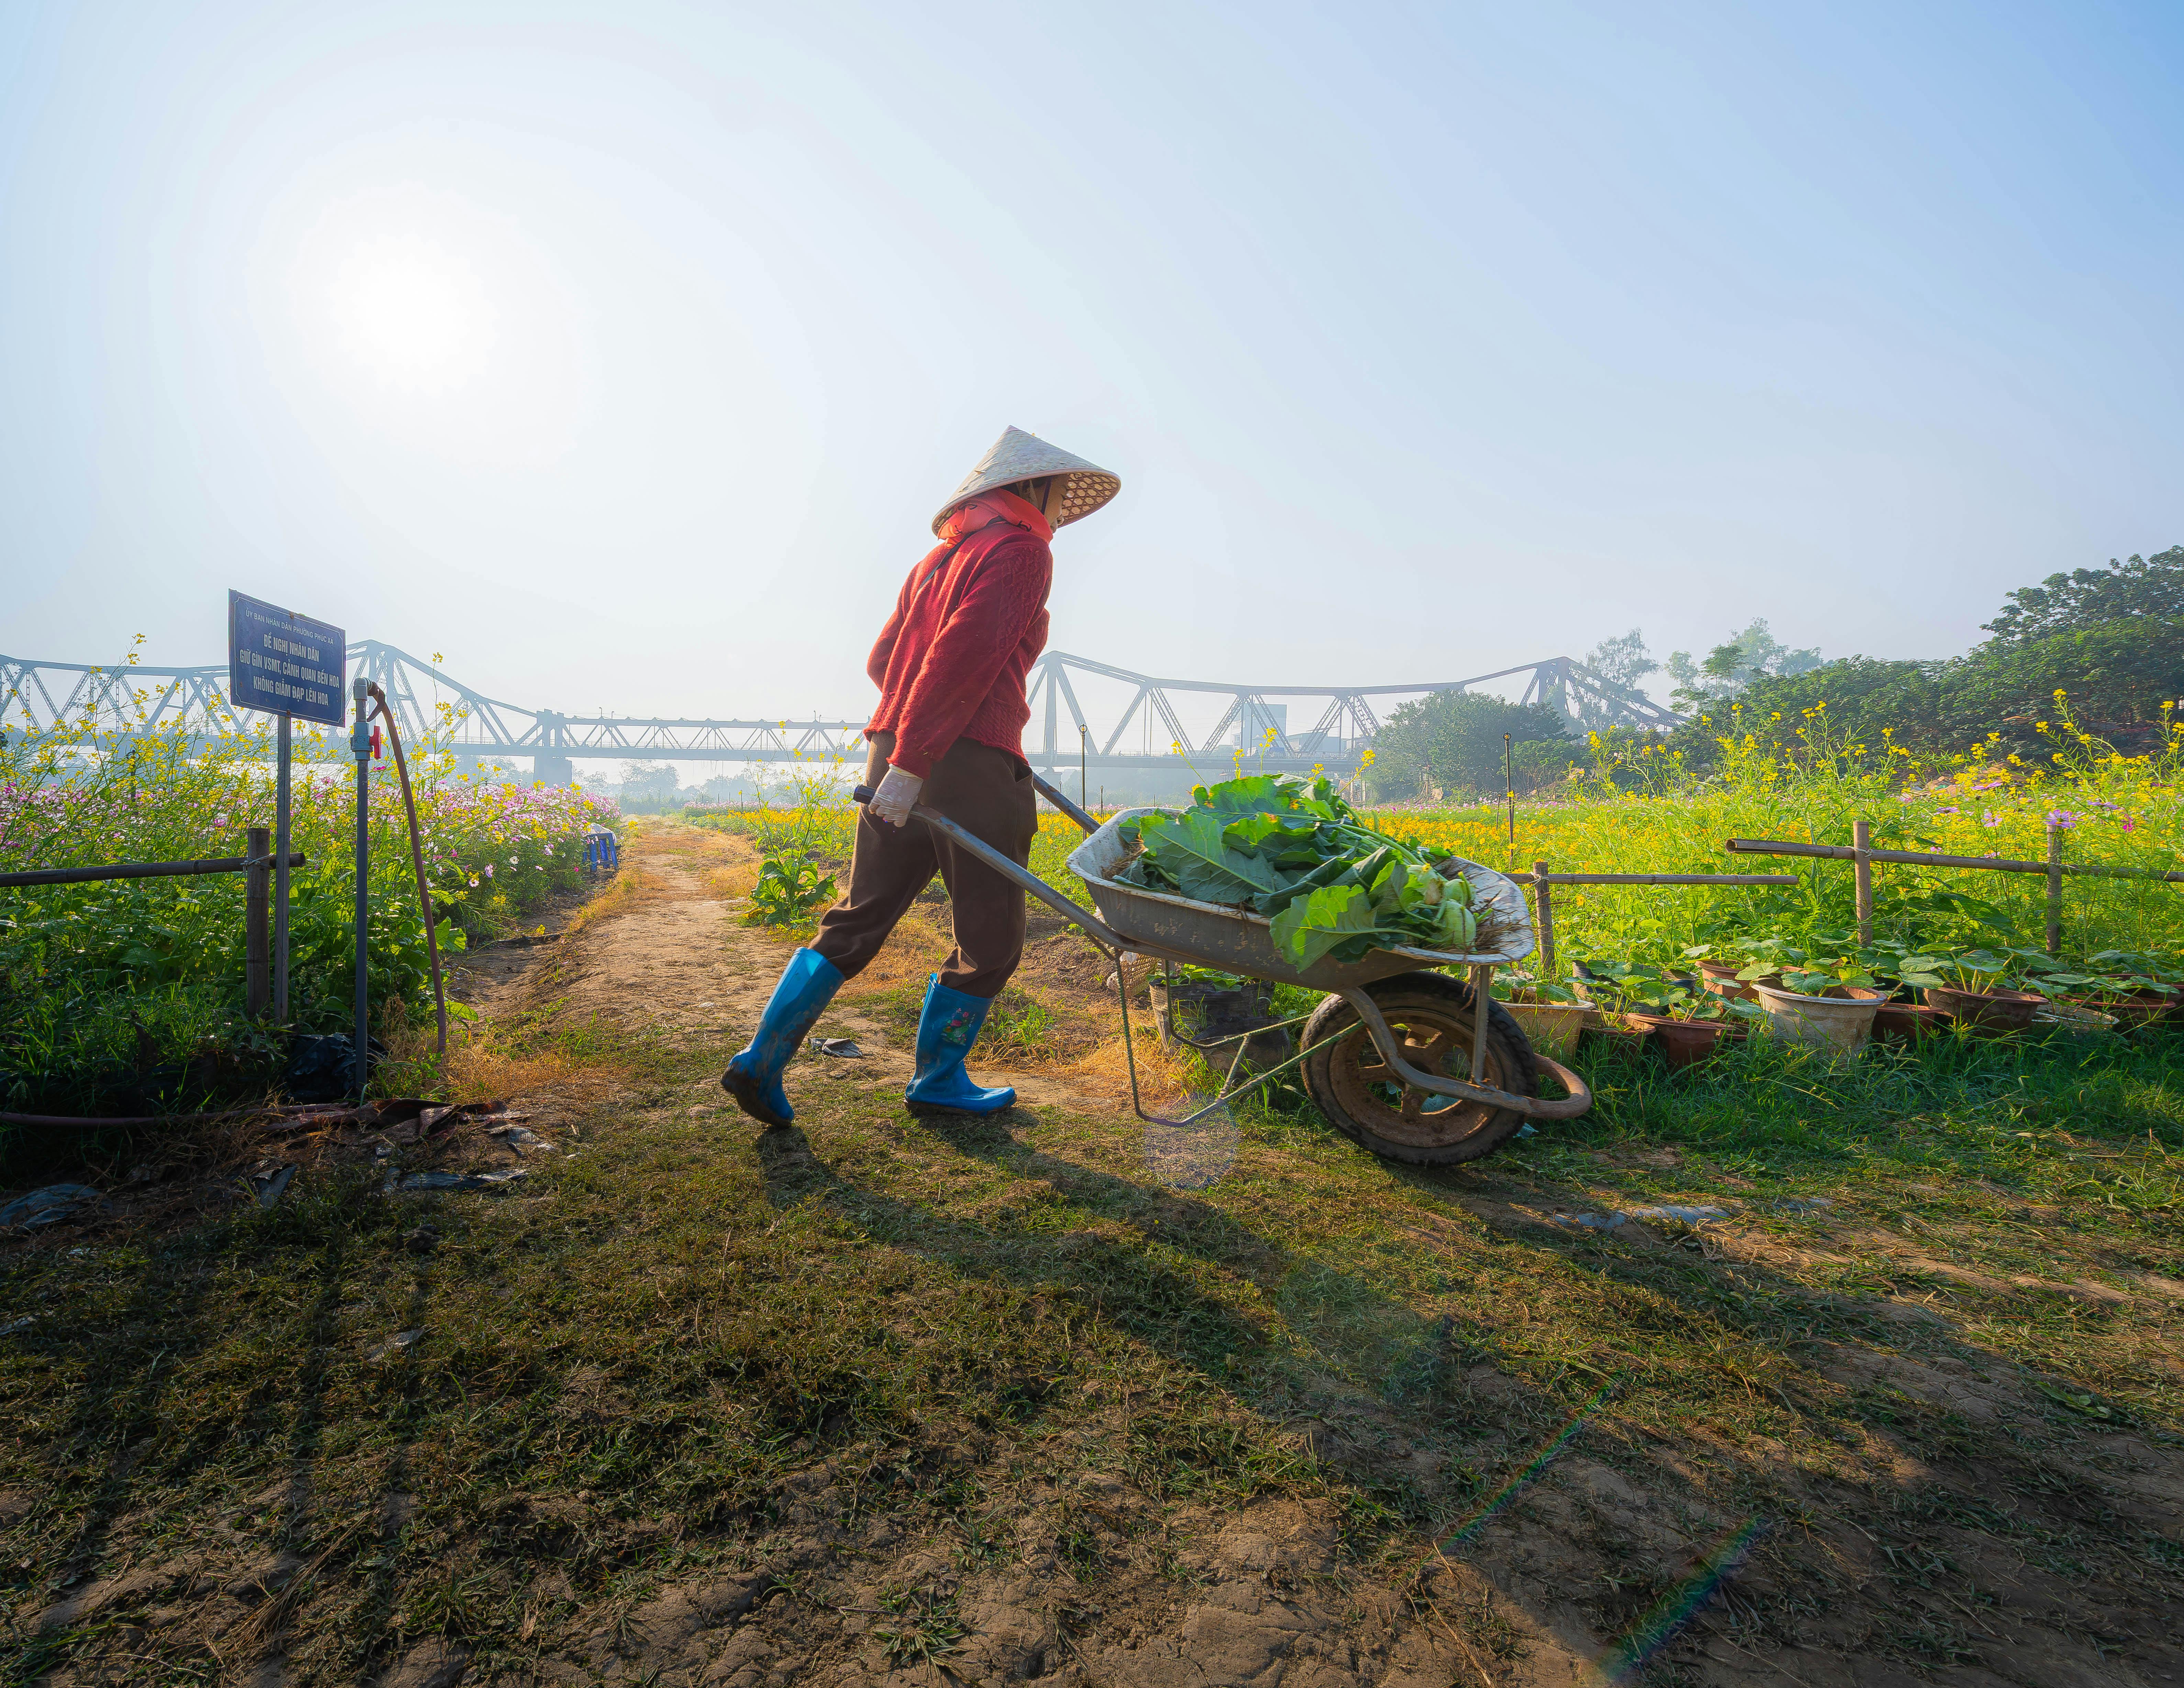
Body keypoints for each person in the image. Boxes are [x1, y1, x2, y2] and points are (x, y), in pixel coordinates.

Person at [722, 426, 1121, 1129]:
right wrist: (926, 755)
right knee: (990, 933)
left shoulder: (936, 561)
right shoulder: (1022, 549)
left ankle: (761, 1058)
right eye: (1059, 492)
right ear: (1032, 486)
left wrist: (902, 755)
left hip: (891, 749)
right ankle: (939, 1078)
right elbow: (964, 656)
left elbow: (884, 662)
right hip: (965, 759)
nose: (1062, 507)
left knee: (859, 913)